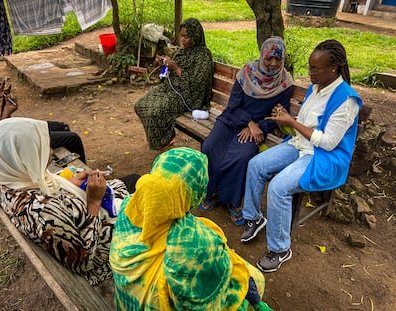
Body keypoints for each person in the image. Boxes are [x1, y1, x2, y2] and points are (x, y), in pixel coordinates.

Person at [240, 39, 363, 273]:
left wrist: (291, 121)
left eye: (315, 68)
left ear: (334, 67)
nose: (310, 73)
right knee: (255, 164)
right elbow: (304, 125)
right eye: (310, 67)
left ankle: (280, 248)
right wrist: (287, 117)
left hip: (321, 156)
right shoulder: (315, 89)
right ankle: (254, 218)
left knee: (278, 187)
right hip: (300, 145)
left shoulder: (346, 100)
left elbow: (328, 143)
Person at [109, 147, 273, 311]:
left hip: (127, 303)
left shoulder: (130, 206)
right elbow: (210, 302)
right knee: (255, 279)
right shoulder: (192, 241)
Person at [0, 117, 140, 285]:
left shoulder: (12, 181)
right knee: (144, 189)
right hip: (105, 247)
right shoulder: (42, 214)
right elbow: (83, 262)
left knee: (136, 182)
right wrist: (93, 202)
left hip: (80, 213)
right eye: (39, 148)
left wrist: (70, 184)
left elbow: (55, 203)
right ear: (19, 158)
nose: (50, 151)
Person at [201, 36, 293, 226]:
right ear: (262, 56)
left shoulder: (284, 83)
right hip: (231, 120)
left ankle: (233, 202)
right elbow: (233, 105)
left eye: (278, 59)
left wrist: (258, 127)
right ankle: (212, 194)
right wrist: (249, 122)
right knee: (209, 147)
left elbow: (279, 114)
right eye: (269, 58)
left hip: (257, 129)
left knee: (242, 156)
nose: (274, 64)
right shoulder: (247, 73)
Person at [134, 18, 213, 150]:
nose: (183, 40)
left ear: (195, 36)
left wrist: (176, 68)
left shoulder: (203, 55)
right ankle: (164, 137)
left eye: (186, 37)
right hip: (169, 89)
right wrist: (165, 64)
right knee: (140, 105)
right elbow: (170, 74)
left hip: (187, 97)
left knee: (155, 112)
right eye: (181, 36)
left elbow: (197, 84)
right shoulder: (182, 52)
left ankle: (164, 140)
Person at [0, 80, 87, 163]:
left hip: (9, 133)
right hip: (9, 146)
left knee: (62, 127)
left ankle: (73, 170)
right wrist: (6, 113)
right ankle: (84, 179)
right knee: (72, 138)